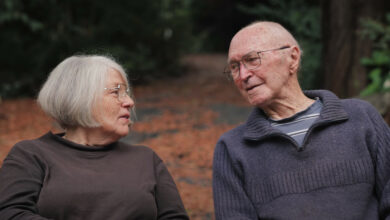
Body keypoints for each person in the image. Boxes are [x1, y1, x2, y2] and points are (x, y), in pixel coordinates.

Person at [212, 21, 390, 220]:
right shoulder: (232, 148)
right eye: (235, 67)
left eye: (252, 59)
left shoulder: (360, 117)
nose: (243, 75)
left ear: (293, 58)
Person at [0, 55, 189, 220]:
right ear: (80, 97)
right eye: (116, 92)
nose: (130, 102)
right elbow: (10, 213)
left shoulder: (147, 159)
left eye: (127, 93)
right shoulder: (31, 155)